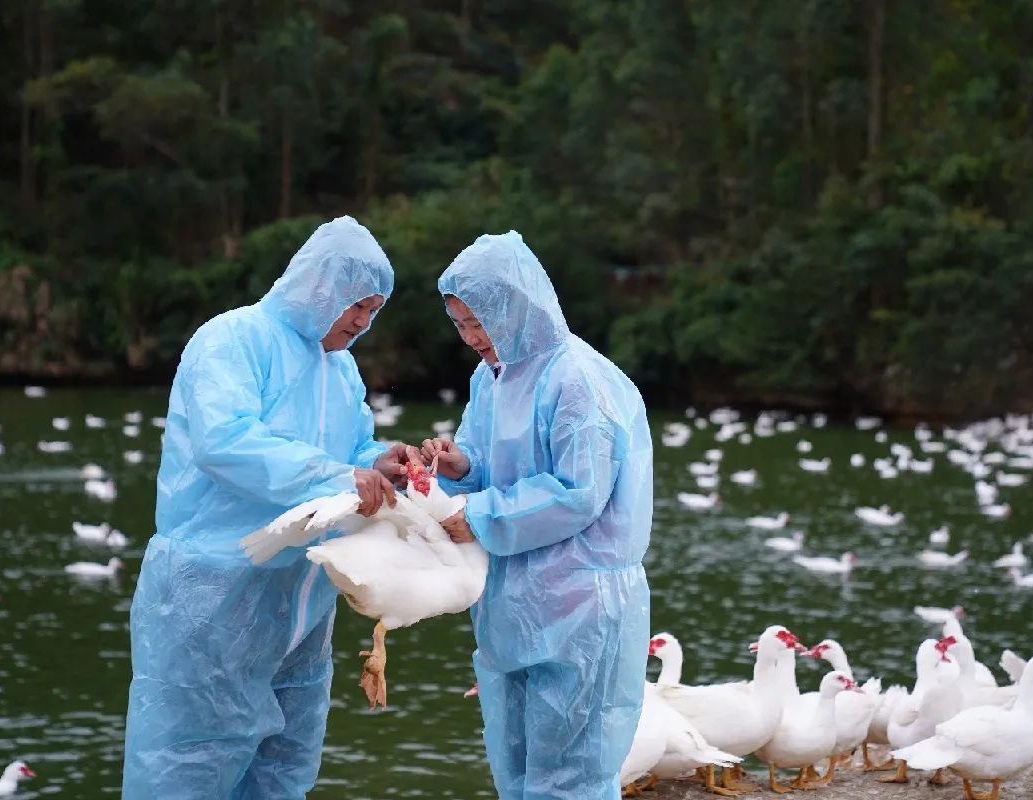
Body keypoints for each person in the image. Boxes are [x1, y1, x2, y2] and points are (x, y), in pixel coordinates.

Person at [123, 216, 418, 799]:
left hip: (303, 601)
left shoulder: (341, 369)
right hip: (214, 595)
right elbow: (225, 442)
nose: (362, 322)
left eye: (374, 310)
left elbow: (353, 447)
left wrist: (382, 461)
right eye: (356, 305)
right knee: (187, 765)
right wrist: (339, 475)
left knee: (282, 769)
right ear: (319, 287)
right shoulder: (232, 341)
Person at [421, 231, 653, 800]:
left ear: (516, 308)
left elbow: (578, 493)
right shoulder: (491, 377)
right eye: (460, 324)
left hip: (580, 605)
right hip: (511, 600)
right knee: (518, 772)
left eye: (481, 321)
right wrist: (460, 466)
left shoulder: (577, 380)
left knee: (573, 776)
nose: (473, 338)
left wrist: (480, 512)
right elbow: (493, 471)